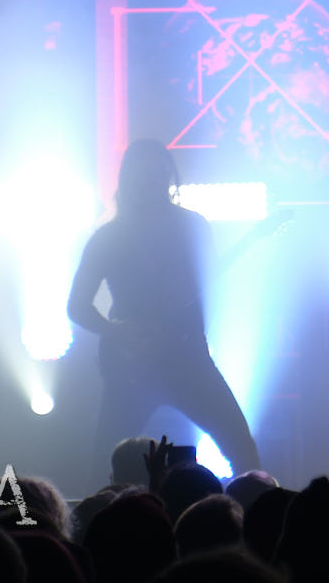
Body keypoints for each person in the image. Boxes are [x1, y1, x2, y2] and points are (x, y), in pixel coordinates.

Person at [68, 140, 261, 473]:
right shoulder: (108, 237)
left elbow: (210, 292)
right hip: (133, 367)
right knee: (106, 463)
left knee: (242, 449)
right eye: (146, 176)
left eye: (161, 175)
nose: (155, 183)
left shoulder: (192, 226)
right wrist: (118, 331)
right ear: (130, 180)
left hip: (186, 360)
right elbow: (76, 306)